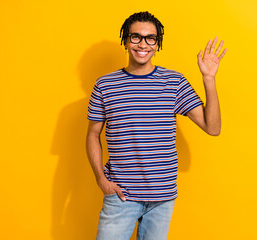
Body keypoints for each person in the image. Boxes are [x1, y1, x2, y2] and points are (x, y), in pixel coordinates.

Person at [86, 11, 227, 240]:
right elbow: (92, 135)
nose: (143, 44)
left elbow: (213, 128)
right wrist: (101, 179)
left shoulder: (174, 82)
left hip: (162, 199)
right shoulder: (105, 85)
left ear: (157, 43)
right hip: (121, 196)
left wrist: (208, 79)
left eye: (150, 38)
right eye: (136, 37)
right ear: (125, 40)